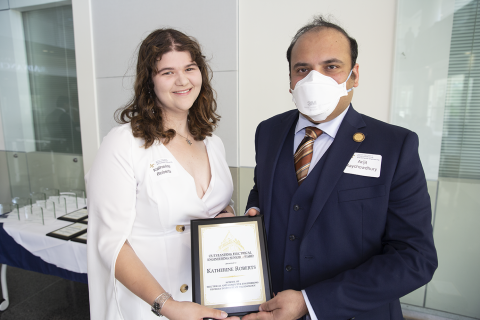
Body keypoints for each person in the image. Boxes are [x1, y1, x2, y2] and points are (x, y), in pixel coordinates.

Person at [243, 16, 438, 320]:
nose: (313, 79)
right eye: (303, 69)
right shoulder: (268, 132)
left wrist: (311, 302)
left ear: (354, 75)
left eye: (330, 67)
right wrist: (252, 212)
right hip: (271, 310)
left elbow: (415, 258)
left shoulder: (394, 145)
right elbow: (264, 189)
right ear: (291, 79)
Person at [86, 29, 239, 320]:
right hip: (146, 308)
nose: (182, 80)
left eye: (189, 69)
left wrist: (225, 215)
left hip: (203, 301)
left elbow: (215, 206)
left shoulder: (212, 143)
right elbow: (110, 242)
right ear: (149, 81)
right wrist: (166, 306)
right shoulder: (123, 143)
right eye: (167, 72)